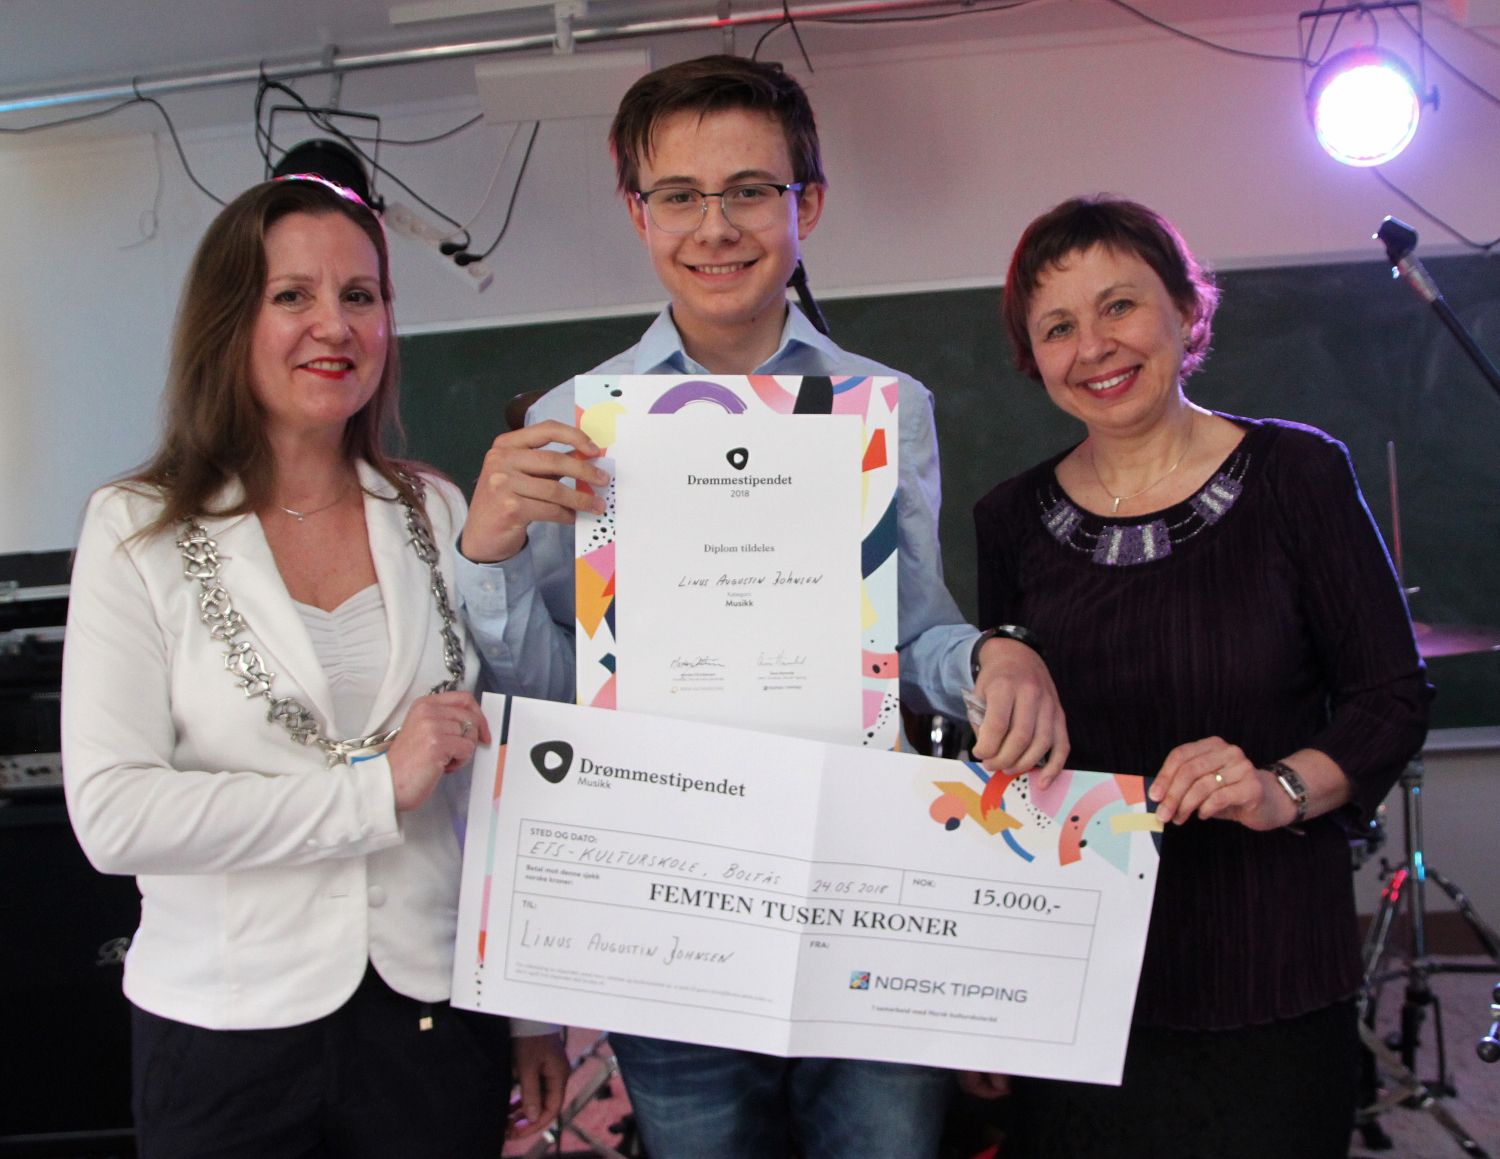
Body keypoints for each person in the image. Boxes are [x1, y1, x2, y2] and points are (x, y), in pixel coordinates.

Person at [456, 54, 1065, 1159]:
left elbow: (907, 634)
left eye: (749, 190)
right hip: (667, 902)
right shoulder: (574, 421)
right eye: (678, 195)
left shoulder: (886, 407)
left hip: (859, 881)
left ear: (807, 204)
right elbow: (553, 694)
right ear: (637, 212)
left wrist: (990, 658)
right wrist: (487, 555)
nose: (715, 226)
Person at [61, 175, 568, 1159]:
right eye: (291, 294)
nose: (333, 326)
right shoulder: (135, 529)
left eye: (360, 295)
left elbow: (493, 777)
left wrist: (527, 1009)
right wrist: (373, 790)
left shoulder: (436, 512)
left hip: (433, 1022)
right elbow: (115, 814)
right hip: (224, 1031)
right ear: (228, 321)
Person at [967, 194, 1432, 1158]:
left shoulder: (1298, 473)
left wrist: (1278, 787)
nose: (1094, 346)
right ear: (1033, 357)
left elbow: (1391, 698)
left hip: (1268, 964)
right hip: (1078, 976)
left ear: (1187, 309)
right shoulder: (1008, 521)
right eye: (1057, 327)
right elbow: (1004, 770)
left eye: (1120, 305)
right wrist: (986, 986)